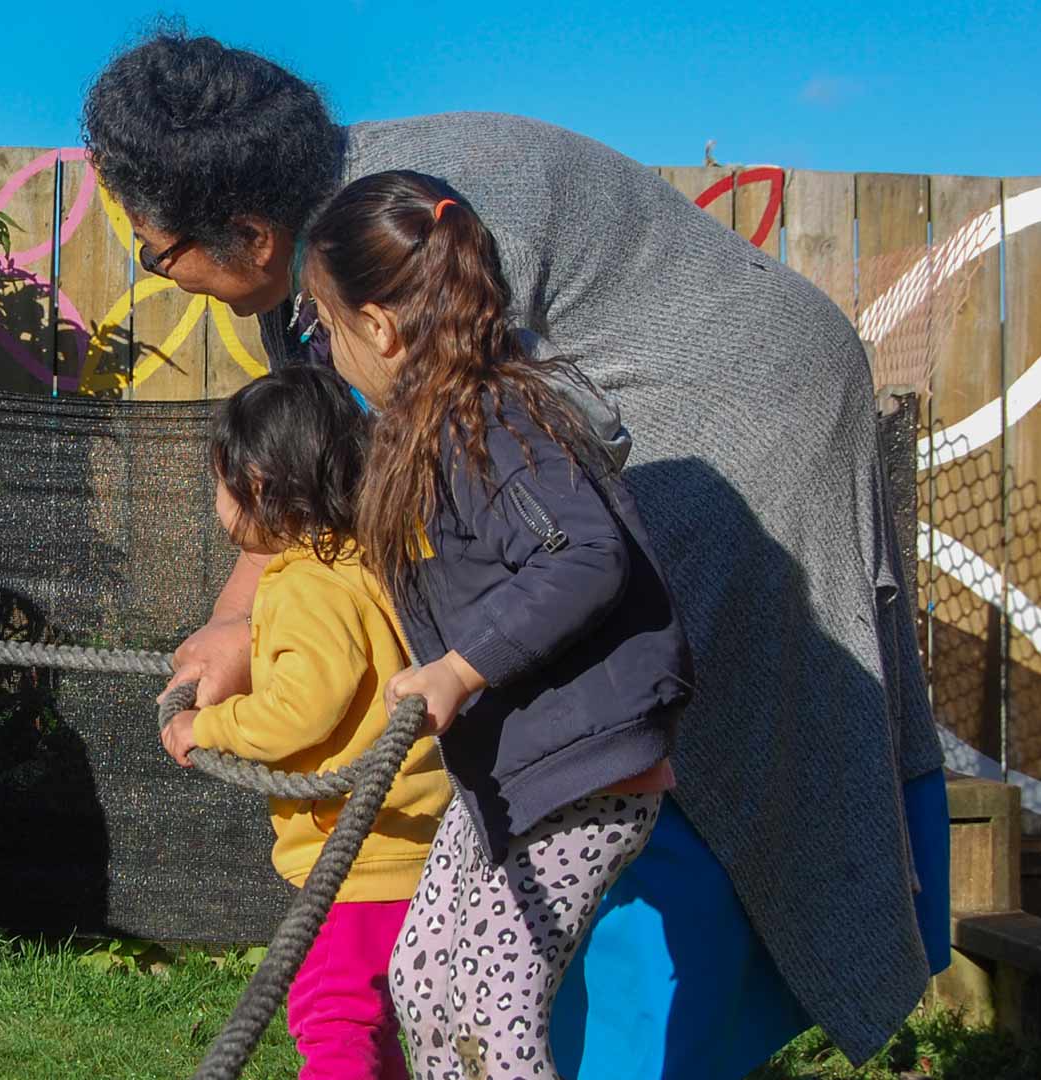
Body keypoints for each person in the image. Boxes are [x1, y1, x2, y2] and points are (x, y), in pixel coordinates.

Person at [83, 29, 951, 1076]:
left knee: (652, 746)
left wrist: (462, 663)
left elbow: (573, 546)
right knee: (514, 837)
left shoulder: (404, 245)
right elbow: (325, 452)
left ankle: (638, 1050)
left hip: (735, 410)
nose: (161, 274)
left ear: (254, 234)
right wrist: (238, 616)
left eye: (153, 250)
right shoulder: (321, 277)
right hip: (592, 455)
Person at [302, 170, 690, 1078]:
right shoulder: (429, 427)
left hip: (580, 770)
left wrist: (458, 669)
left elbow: (584, 554)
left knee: (492, 1002)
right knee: (424, 976)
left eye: (322, 325)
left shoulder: (493, 414)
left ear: (379, 327)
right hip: (508, 772)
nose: (320, 348)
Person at [160, 364, 450, 1079]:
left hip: (363, 854)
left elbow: (302, 707)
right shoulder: (378, 555)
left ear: (257, 484)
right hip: (421, 839)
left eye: (220, 482)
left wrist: (211, 726)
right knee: (385, 1014)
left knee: (333, 1012)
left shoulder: (303, 583)